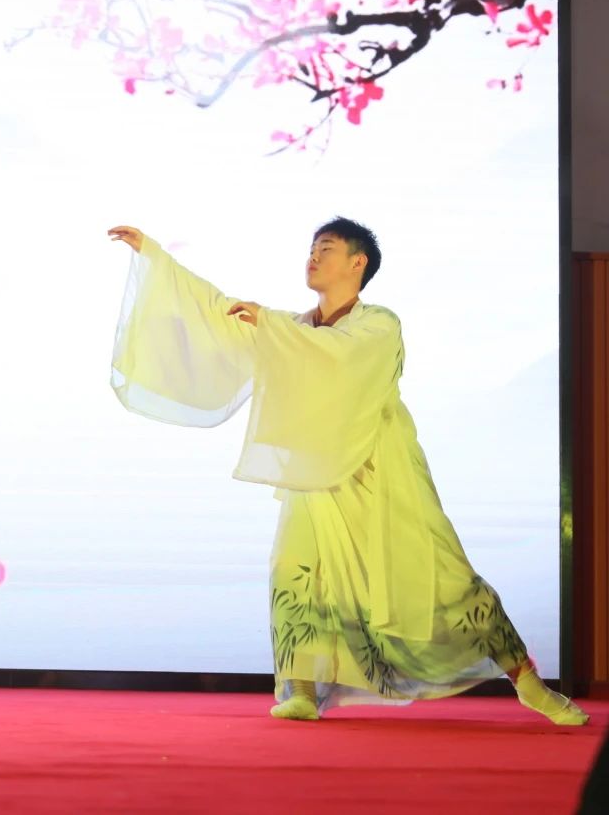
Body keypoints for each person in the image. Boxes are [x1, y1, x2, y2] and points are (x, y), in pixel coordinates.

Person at [107, 218, 586, 724]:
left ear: (358, 262)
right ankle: (302, 689)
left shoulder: (378, 325)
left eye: (326, 248)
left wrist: (270, 324)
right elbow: (218, 312)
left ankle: (528, 683)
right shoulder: (292, 327)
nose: (313, 257)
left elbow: (337, 354)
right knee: (294, 571)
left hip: (380, 473)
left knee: (443, 579)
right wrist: (156, 259)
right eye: (312, 249)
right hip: (313, 478)